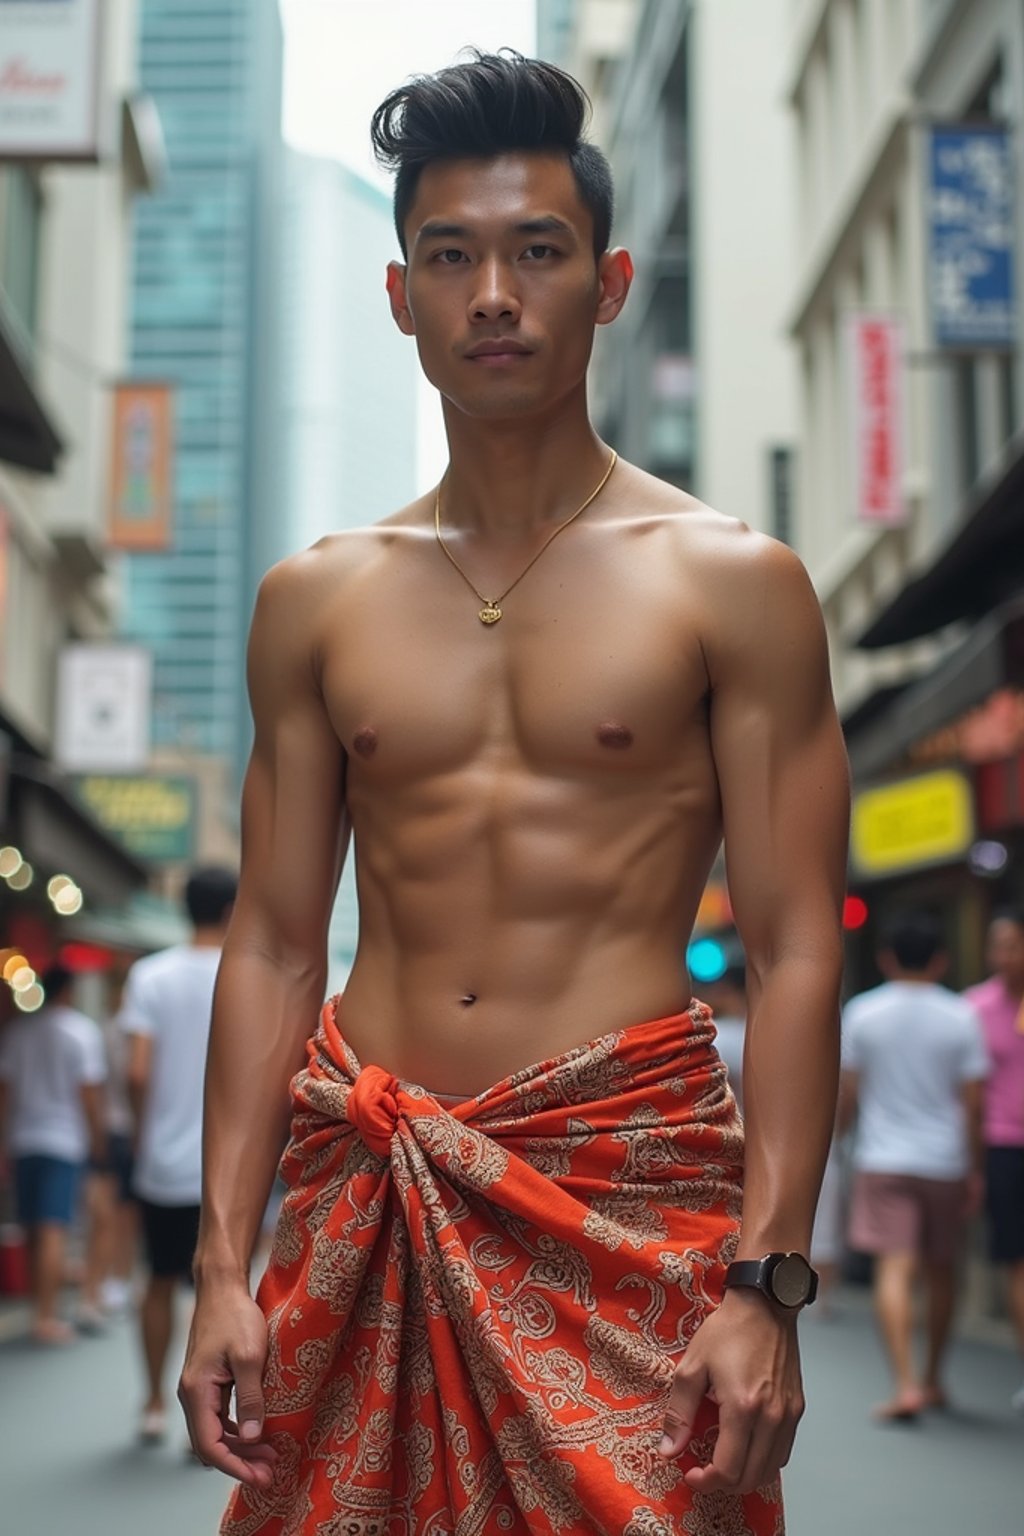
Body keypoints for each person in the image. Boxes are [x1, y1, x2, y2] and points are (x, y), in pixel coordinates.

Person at [179, 52, 849, 1536]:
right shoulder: (316, 602)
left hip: (628, 1197)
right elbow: (279, 944)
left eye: (536, 252)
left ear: (606, 285)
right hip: (370, 1195)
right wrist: (223, 1268)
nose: (495, 293)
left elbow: (801, 944)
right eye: (452, 256)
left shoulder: (734, 585)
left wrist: (771, 1280)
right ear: (399, 293)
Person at [839, 913, 988, 1421]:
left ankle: (903, 1383)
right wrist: (974, 1168)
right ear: (941, 960)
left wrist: (839, 1136)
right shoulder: (962, 1015)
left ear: (886, 958)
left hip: (883, 1157)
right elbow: (973, 1102)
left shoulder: (862, 1013)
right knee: (943, 1269)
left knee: (895, 1267)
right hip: (944, 1159)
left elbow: (849, 1093)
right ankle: (933, 1378)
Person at [119, 866, 237, 1443]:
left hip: (163, 1164)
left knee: (159, 1282)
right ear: (232, 910)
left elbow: (137, 1071)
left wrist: (143, 1136)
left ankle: (151, 1404)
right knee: (220, 1289)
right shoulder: (245, 977)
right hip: (231, 1169)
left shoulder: (150, 975)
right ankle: (211, 1419)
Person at [0, 963, 106, 1344]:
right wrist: (97, 1141)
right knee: (53, 1226)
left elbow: (5, 1093)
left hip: (22, 1138)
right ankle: (46, 1315)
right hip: (63, 1139)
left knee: (31, 1227)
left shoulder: (18, 1031)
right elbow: (89, 1094)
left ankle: (35, 1309)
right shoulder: (80, 1032)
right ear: (69, 992)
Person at [963, 908, 1024, 1413]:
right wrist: (974, 1165)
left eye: (1013, 944)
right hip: (1004, 1145)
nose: (1003, 955)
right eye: (997, 945)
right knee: (1016, 1261)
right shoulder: (975, 1007)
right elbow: (967, 1093)